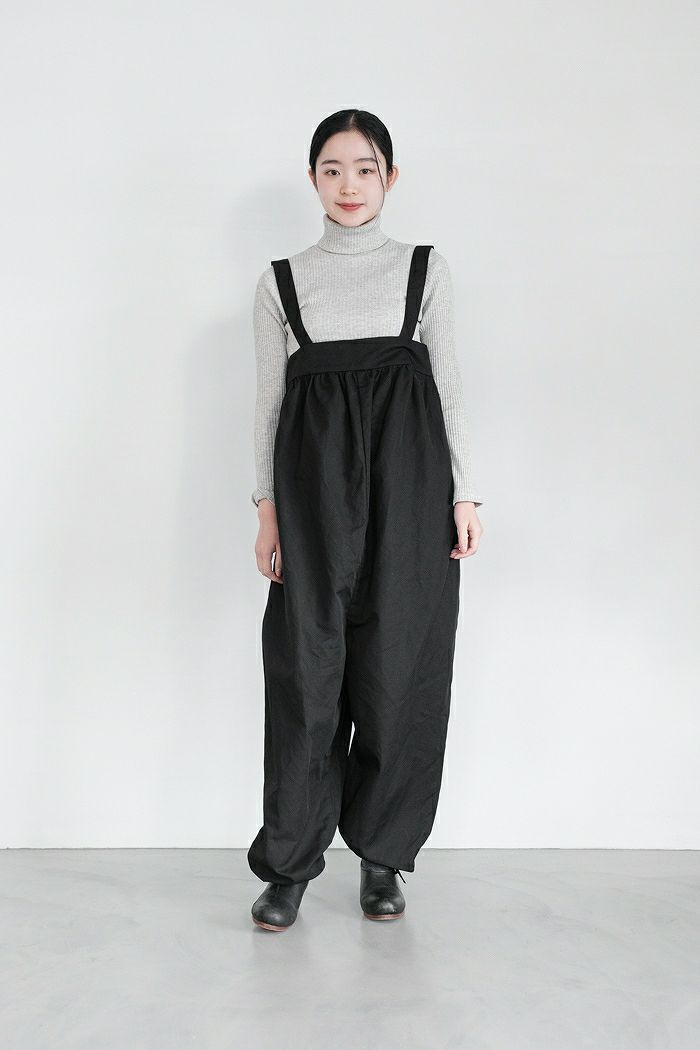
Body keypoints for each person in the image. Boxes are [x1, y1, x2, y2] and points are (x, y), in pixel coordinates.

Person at [247, 109, 484, 931]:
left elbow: (449, 386)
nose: (349, 185)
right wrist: (267, 512)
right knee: (306, 675)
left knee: (399, 669)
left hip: (412, 489)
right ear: (312, 178)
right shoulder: (282, 282)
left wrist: (465, 494)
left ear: (390, 177)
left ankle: (382, 858)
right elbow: (267, 404)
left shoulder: (424, 270)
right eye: (333, 169)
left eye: (366, 168)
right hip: (310, 495)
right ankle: (289, 863)